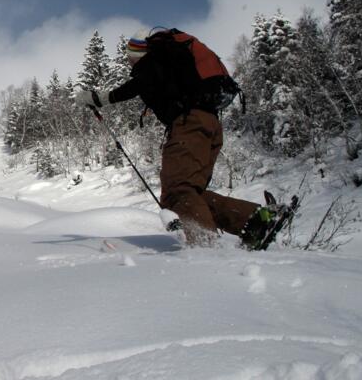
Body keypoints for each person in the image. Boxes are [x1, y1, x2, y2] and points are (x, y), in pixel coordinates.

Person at [75, 28, 281, 248]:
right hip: (209, 125)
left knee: (177, 192)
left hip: (189, 126)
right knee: (192, 193)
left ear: (138, 54)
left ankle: (206, 247)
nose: (129, 63)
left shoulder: (150, 65)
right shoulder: (170, 66)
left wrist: (92, 98)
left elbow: (122, 92)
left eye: (130, 57)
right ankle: (256, 221)